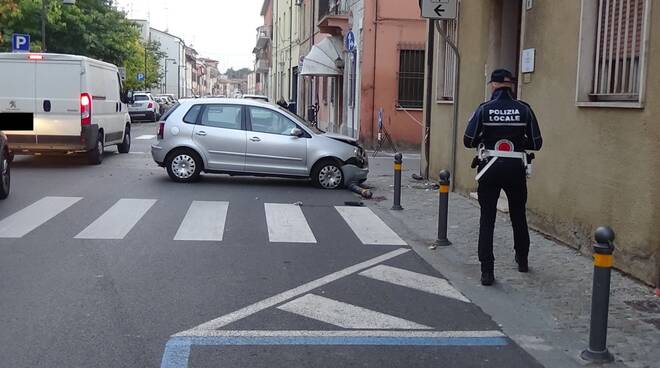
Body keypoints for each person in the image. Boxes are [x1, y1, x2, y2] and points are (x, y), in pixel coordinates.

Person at [463, 69, 543, 286]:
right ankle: (523, 259)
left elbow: (468, 140)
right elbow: (537, 143)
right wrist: (517, 143)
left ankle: (487, 271)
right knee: (518, 214)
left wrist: (485, 139)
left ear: (493, 85)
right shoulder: (524, 109)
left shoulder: (484, 109)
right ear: (511, 86)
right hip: (516, 168)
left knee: (487, 219)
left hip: (489, 167)